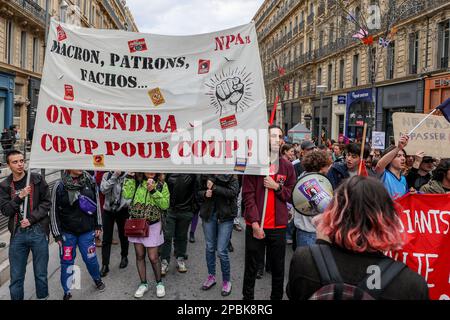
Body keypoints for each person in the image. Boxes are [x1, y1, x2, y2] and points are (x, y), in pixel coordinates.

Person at [286, 176, 429, 300]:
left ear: (334, 213)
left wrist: (322, 243)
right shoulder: (413, 284)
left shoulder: (305, 260)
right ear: (389, 219)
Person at [242, 125, 296, 300]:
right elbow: (248, 196)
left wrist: (277, 187)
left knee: (278, 269)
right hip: (256, 225)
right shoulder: (254, 164)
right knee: (251, 268)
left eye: (279, 136)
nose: (277, 139)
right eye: (273, 136)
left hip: (278, 227)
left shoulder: (287, 166)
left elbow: (292, 194)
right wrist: (255, 224)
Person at [0, 150, 51, 300]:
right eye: (15, 162)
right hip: (17, 234)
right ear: (8, 165)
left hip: (38, 231)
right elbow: (6, 211)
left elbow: (47, 203)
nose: (20, 164)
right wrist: (19, 197)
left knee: (41, 274)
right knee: (16, 278)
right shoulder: (5, 185)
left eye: (22, 160)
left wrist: (32, 219)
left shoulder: (36, 179)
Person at [50, 170, 105, 300]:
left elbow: (97, 203)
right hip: (67, 234)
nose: (81, 166)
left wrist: (98, 224)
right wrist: (57, 234)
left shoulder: (90, 181)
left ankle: (97, 279)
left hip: (86, 232)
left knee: (91, 259)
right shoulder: (59, 185)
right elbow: (53, 211)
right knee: (67, 262)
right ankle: (67, 290)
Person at [123, 172, 169, 298]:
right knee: (139, 255)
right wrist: (129, 178)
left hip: (153, 225)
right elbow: (126, 195)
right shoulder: (137, 182)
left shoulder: (161, 184)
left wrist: (153, 191)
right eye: (147, 169)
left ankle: (159, 283)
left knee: (153, 257)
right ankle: (143, 284)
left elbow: (165, 204)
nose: (150, 171)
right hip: (136, 224)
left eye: (153, 169)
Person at [197, 174, 239, 296]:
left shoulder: (231, 172)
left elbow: (233, 192)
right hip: (209, 214)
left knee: (221, 250)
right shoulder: (204, 172)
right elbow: (197, 192)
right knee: (210, 247)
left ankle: (226, 281)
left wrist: (214, 187)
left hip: (225, 215)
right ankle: (211, 276)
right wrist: (205, 193)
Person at [160, 173, 198, 275]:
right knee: (167, 236)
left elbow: (197, 190)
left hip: (186, 211)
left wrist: (193, 210)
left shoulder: (192, 173)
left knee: (181, 236)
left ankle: (180, 258)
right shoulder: (168, 172)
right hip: (170, 210)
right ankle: (164, 261)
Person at [293, 150, 332, 248]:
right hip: (310, 233)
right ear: (322, 167)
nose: (329, 168)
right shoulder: (310, 183)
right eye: (328, 165)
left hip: (306, 231)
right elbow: (326, 206)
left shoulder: (304, 177)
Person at [99, 171, 130, 277]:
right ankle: (105, 264)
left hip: (122, 210)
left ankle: (124, 256)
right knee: (106, 238)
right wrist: (114, 176)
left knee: (123, 235)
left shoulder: (128, 176)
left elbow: (130, 194)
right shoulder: (107, 175)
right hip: (108, 210)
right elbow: (103, 190)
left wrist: (123, 204)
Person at [375, 135, 409, 200]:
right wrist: (398, 148)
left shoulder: (403, 179)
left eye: (404, 156)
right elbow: (379, 166)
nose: (403, 158)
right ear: (390, 160)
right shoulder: (383, 175)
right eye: (398, 156)